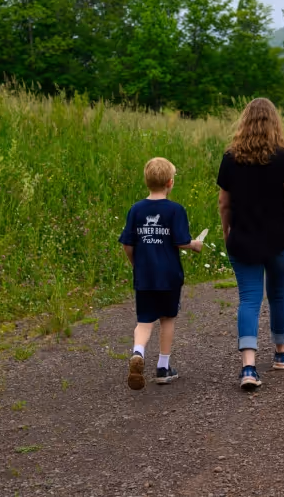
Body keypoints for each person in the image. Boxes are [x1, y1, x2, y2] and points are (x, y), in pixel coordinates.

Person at [217, 98, 284, 390]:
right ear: (275, 122)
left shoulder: (230, 157)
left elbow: (224, 204)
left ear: (244, 122)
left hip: (243, 239)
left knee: (249, 299)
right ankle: (281, 353)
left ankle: (248, 368)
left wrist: (228, 234)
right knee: (278, 295)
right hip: (279, 241)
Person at [119, 157, 203, 391]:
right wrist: (194, 245)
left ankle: (138, 353)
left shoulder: (136, 209)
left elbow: (127, 244)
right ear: (170, 182)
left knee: (144, 321)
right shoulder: (176, 210)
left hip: (145, 275)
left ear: (147, 182)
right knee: (167, 319)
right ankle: (163, 368)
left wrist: (136, 264)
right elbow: (180, 241)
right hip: (169, 275)